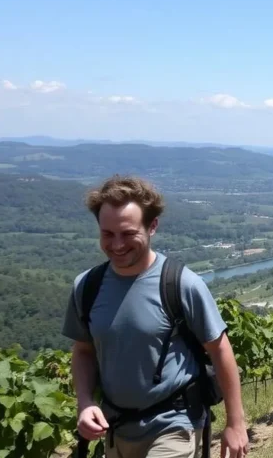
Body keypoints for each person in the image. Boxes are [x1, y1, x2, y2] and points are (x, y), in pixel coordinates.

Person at [63, 175, 248, 458]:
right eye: (107, 234)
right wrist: (85, 403)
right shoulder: (87, 287)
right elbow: (84, 351)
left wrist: (236, 423)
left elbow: (220, 349)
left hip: (175, 424)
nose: (116, 244)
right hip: (117, 429)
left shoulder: (181, 284)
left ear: (152, 227)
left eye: (127, 233)